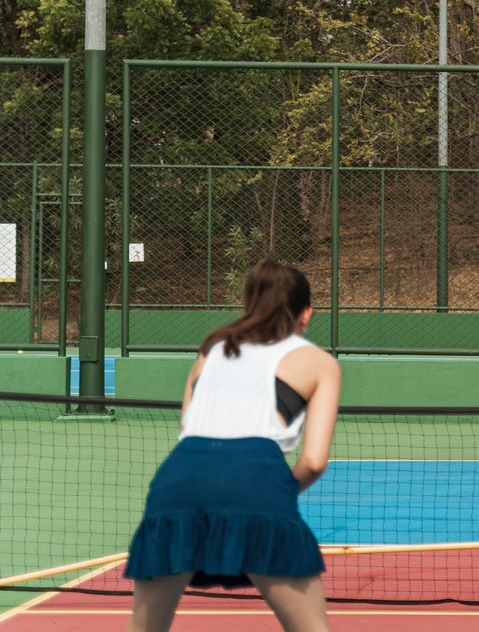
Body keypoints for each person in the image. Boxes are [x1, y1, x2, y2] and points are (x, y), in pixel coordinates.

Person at [124, 261, 341, 632]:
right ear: (307, 314)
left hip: (178, 479)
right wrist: (280, 490)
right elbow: (315, 461)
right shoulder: (320, 362)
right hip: (256, 478)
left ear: (249, 303)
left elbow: (187, 423)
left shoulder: (212, 348)